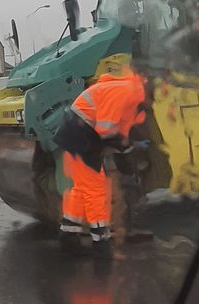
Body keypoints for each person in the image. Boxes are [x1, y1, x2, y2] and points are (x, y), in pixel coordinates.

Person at [54, 66, 146, 257]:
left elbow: (119, 130)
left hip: (74, 133)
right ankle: (101, 243)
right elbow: (106, 129)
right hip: (80, 135)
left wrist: (128, 146)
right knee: (96, 188)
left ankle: (69, 238)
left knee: (81, 188)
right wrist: (123, 150)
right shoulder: (127, 91)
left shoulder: (128, 93)